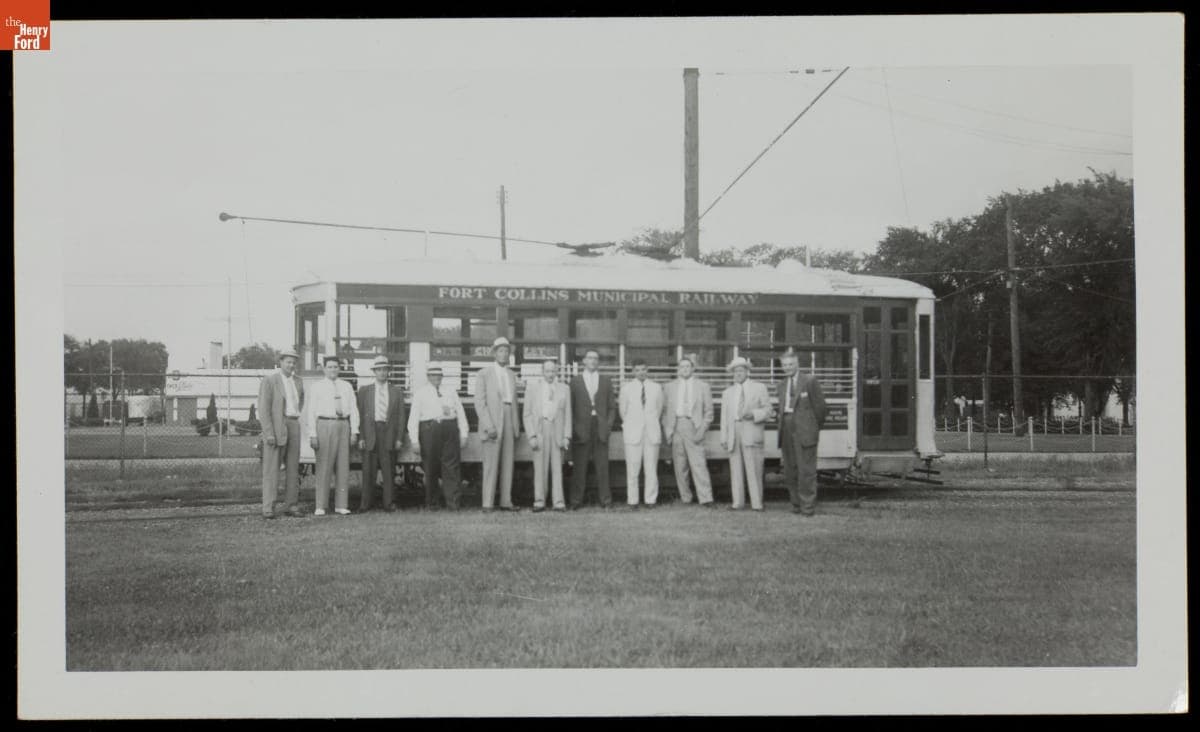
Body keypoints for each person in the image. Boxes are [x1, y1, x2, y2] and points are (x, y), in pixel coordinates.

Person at [407, 364, 469, 510]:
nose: (436, 378)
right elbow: (413, 418)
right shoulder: (420, 393)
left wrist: (464, 434)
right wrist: (414, 440)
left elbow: (460, 413)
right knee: (430, 467)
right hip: (429, 430)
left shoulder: (451, 391)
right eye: (433, 375)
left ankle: (453, 502)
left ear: (442, 376)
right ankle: (432, 502)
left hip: (450, 430)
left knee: (451, 467)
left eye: (439, 375)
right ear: (428, 377)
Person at [305, 355, 360, 516]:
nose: (333, 369)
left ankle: (341, 505)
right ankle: (320, 505)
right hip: (324, 424)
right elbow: (311, 412)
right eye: (330, 367)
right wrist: (312, 434)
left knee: (343, 466)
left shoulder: (347, 386)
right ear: (324, 369)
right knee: (324, 466)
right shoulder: (317, 387)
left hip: (343, 424)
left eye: (336, 366)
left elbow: (354, 409)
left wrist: (354, 431)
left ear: (340, 368)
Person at [777, 348, 828, 516]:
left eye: (790, 364)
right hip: (786, 429)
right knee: (790, 470)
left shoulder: (810, 381)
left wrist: (812, 428)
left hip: (805, 432)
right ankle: (796, 505)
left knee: (806, 470)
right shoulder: (782, 384)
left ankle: (807, 507)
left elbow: (820, 409)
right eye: (784, 365)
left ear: (797, 363)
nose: (788, 367)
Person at [661, 354, 715, 507]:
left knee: (699, 464)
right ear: (678, 369)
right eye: (682, 367)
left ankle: (706, 498)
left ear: (693, 369)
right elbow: (664, 411)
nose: (684, 369)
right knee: (680, 465)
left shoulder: (703, 386)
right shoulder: (669, 387)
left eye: (687, 366)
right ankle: (686, 498)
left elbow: (709, 412)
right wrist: (668, 430)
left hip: (694, 426)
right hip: (676, 425)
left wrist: (702, 430)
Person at [474, 337, 521, 512]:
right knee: (491, 463)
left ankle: (506, 501)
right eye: (500, 350)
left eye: (506, 351)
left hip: (509, 416)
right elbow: (479, 402)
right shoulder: (484, 373)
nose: (504, 354)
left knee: (508, 461)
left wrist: (516, 425)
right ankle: (487, 503)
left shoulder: (510, 374)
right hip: (492, 419)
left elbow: (514, 401)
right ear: (494, 353)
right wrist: (489, 425)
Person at [257, 349, 305, 519]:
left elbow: (301, 403)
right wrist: (269, 433)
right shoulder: (270, 381)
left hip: (294, 424)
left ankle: (291, 505)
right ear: (281, 362)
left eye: (294, 362)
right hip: (277, 427)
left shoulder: (298, 381)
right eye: (288, 362)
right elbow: (263, 410)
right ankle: (268, 507)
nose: (291, 365)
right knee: (272, 470)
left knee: (293, 469)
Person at [719, 357, 772, 511]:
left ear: (747, 371)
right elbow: (724, 417)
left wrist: (754, 414)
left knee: (754, 468)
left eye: (741, 370)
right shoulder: (727, 392)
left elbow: (769, 411)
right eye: (735, 371)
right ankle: (738, 503)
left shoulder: (759, 388)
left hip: (751, 428)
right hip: (734, 431)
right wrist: (724, 436)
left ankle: (757, 504)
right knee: (735, 469)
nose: (738, 373)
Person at [356, 355, 405, 512]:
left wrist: (399, 438)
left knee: (388, 470)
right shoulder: (365, 391)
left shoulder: (396, 391)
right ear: (374, 372)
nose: (382, 373)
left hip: (388, 432)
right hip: (371, 432)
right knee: (368, 470)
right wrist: (361, 437)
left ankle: (389, 503)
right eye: (379, 370)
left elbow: (401, 417)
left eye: (385, 370)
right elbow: (360, 415)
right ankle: (365, 504)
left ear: (388, 372)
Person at [569, 348, 616, 509]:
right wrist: (575, 428)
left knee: (603, 467)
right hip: (581, 429)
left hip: (600, 428)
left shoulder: (606, 381)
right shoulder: (575, 381)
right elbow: (571, 408)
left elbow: (612, 407)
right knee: (579, 468)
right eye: (590, 358)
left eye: (596, 359)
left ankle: (606, 501)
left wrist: (608, 426)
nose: (593, 361)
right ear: (584, 361)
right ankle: (576, 501)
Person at [523, 359, 571, 512]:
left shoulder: (564, 389)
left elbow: (568, 414)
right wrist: (531, 435)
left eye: (553, 371)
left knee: (558, 467)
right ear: (542, 372)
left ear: (556, 372)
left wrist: (566, 436)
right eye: (547, 371)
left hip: (557, 430)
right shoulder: (532, 389)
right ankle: (539, 500)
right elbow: (527, 414)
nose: (550, 374)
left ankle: (558, 501)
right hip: (540, 429)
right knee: (539, 467)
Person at [618, 358, 664, 508]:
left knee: (651, 468)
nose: (641, 372)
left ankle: (650, 500)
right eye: (637, 370)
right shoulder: (626, 388)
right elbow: (622, 411)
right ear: (633, 371)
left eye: (643, 369)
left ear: (647, 370)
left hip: (651, 433)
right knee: (633, 469)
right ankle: (633, 501)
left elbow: (659, 410)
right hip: (633, 433)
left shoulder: (656, 388)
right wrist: (631, 425)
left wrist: (649, 423)